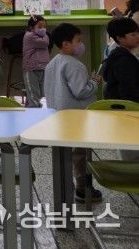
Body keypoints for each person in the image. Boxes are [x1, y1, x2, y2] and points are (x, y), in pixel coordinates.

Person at [44, 23, 102, 203]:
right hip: (76, 116)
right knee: (81, 152)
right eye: (78, 41)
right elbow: (81, 91)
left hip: (58, 115)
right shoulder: (75, 65)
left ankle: (64, 189)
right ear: (66, 44)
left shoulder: (53, 63)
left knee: (63, 154)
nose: (81, 44)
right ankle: (83, 187)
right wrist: (94, 83)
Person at [103, 17, 139, 161]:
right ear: (120, 38)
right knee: (131, 151)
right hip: (128, 111)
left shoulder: (119, 56)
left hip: (122, 111)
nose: (137, 37)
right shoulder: (123, 60)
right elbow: (129, 90)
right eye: (133, 34)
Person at [22, 15, 51, 108]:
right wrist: (46, 35)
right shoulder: (29, 36)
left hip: (43, 68)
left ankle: (36, 110)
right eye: (40, 26)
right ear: (31, 27)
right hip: (31, 69)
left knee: (43, 94)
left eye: (44, 27)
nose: (43, 29)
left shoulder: (42, 36)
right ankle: (33, 112)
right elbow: (45, 42)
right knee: (33, 96)